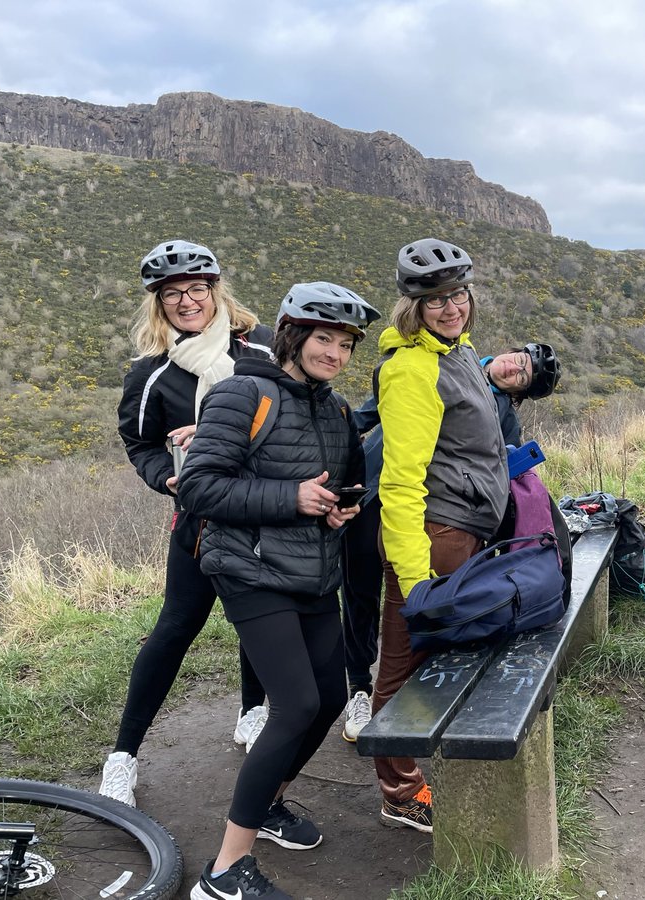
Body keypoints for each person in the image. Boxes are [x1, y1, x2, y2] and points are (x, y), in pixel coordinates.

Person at [178, 281, 379, 900]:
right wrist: (291, 498)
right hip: (249, 569)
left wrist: (342, 508)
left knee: (323, 700)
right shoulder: (243, 393)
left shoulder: (337, 410)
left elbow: (341, 486)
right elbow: (199, 488)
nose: (336, 354)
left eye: (346, 344)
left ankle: (267, 803)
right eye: (325, 338)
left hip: (315, 573)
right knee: (293, 704)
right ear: (294, 335)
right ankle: (224, 872)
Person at [103, 240, 273, 807]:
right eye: (172, 294)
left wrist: (223, 434)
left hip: (265, 509)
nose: (186, 301)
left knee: (258, 616)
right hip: (200, 518)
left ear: (215, 291)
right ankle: (122, 758)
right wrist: (168, 478)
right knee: (177, 626)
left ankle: (253, 713)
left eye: (196, 289)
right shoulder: (151, 374)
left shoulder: (263, 351)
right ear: (159, 304)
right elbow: (140, 442)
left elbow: (294, 412)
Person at [337, 341, 561, 742]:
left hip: (428, 514)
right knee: (358, 591)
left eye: (522, 376)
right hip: (370, 490)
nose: (514, 368)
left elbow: (495, 477)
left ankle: (398, 710)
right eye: (519, 360)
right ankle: (357, 685)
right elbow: (367, 414)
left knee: (402, 600)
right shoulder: (445, 363)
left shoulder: (503, 417)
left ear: (518, 393)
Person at [370, 238, 509, 833]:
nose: (451, 308)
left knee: (442, 659)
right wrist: (414, 574)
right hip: (433, 538)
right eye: (436, 301)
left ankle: (434, 764)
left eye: (457, 295)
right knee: (403, 666)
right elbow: (399, 483)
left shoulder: (458, 352)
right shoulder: (411, 370)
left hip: (465, 529)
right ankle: (398, 790)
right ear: (414, 307)